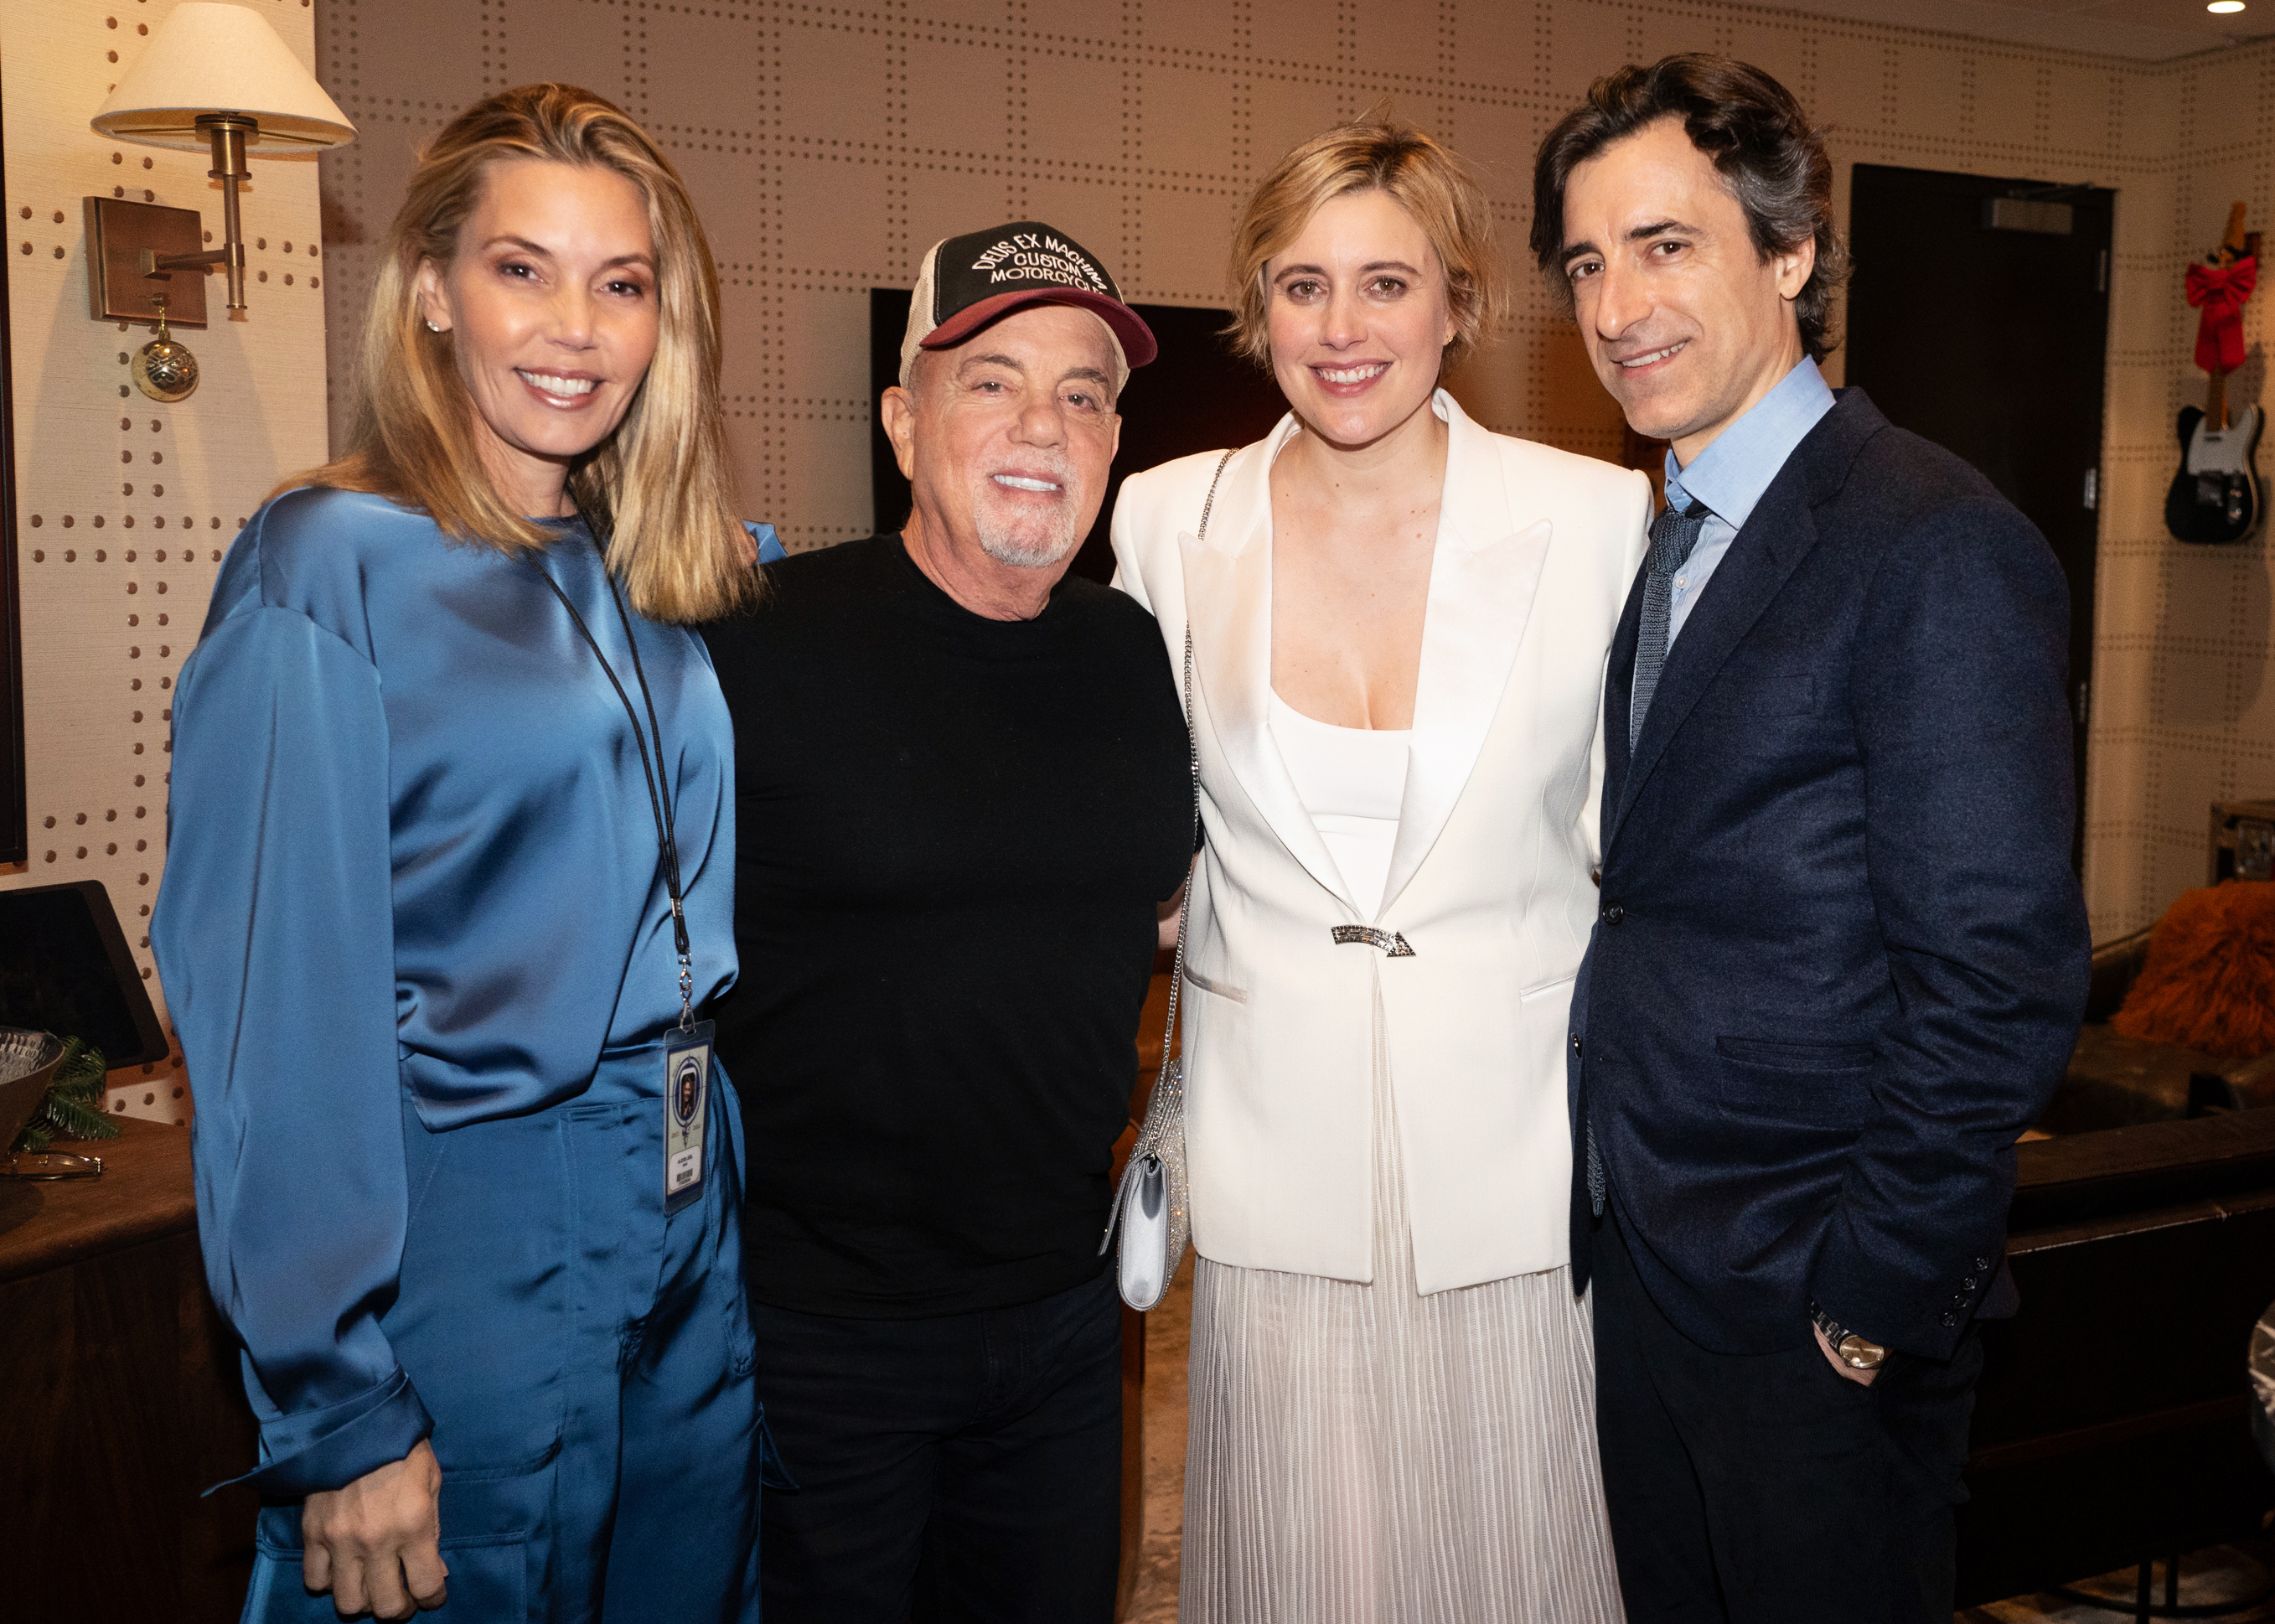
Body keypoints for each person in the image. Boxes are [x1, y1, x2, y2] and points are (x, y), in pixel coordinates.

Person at [153, 84, 784, 1624]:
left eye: (621, 283)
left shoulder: (648, 569)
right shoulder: (326, 560)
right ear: (431, 289)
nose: (575, 325)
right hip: (480, 1209)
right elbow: (270, 1015)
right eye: (523, 268)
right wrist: (338, 1400)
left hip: (691, 1192)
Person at [1534, 54, 2091, 1621]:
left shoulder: (1934, 540)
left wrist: (1869, 1299)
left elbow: (1998, 973)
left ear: (1790, 254)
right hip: (1652, 1268)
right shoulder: (1673, 530)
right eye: (1587, 261)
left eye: (1665, 245)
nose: (1615, 304)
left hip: (1816, 1314)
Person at [1109, 115, 1648, 1621]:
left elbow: (1644, 854)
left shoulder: (1599, 520)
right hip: (1275, 1153)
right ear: (1256, 309)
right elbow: (1136, 817)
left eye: (1386, 285)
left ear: (1459, 305)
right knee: (1302, 1559)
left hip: (1522, 1157)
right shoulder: (1164, 518)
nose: (1341, 331)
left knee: (1528, 1549)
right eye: (1300, 285)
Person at [699, 221, 1190, 1623]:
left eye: (1085, 393)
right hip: (816, 1336)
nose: (1045, 422)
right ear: (905, 422)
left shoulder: (1129, 651)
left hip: (1059, 1318)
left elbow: (1142, 903)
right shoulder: (756, 639)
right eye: (993, 380)